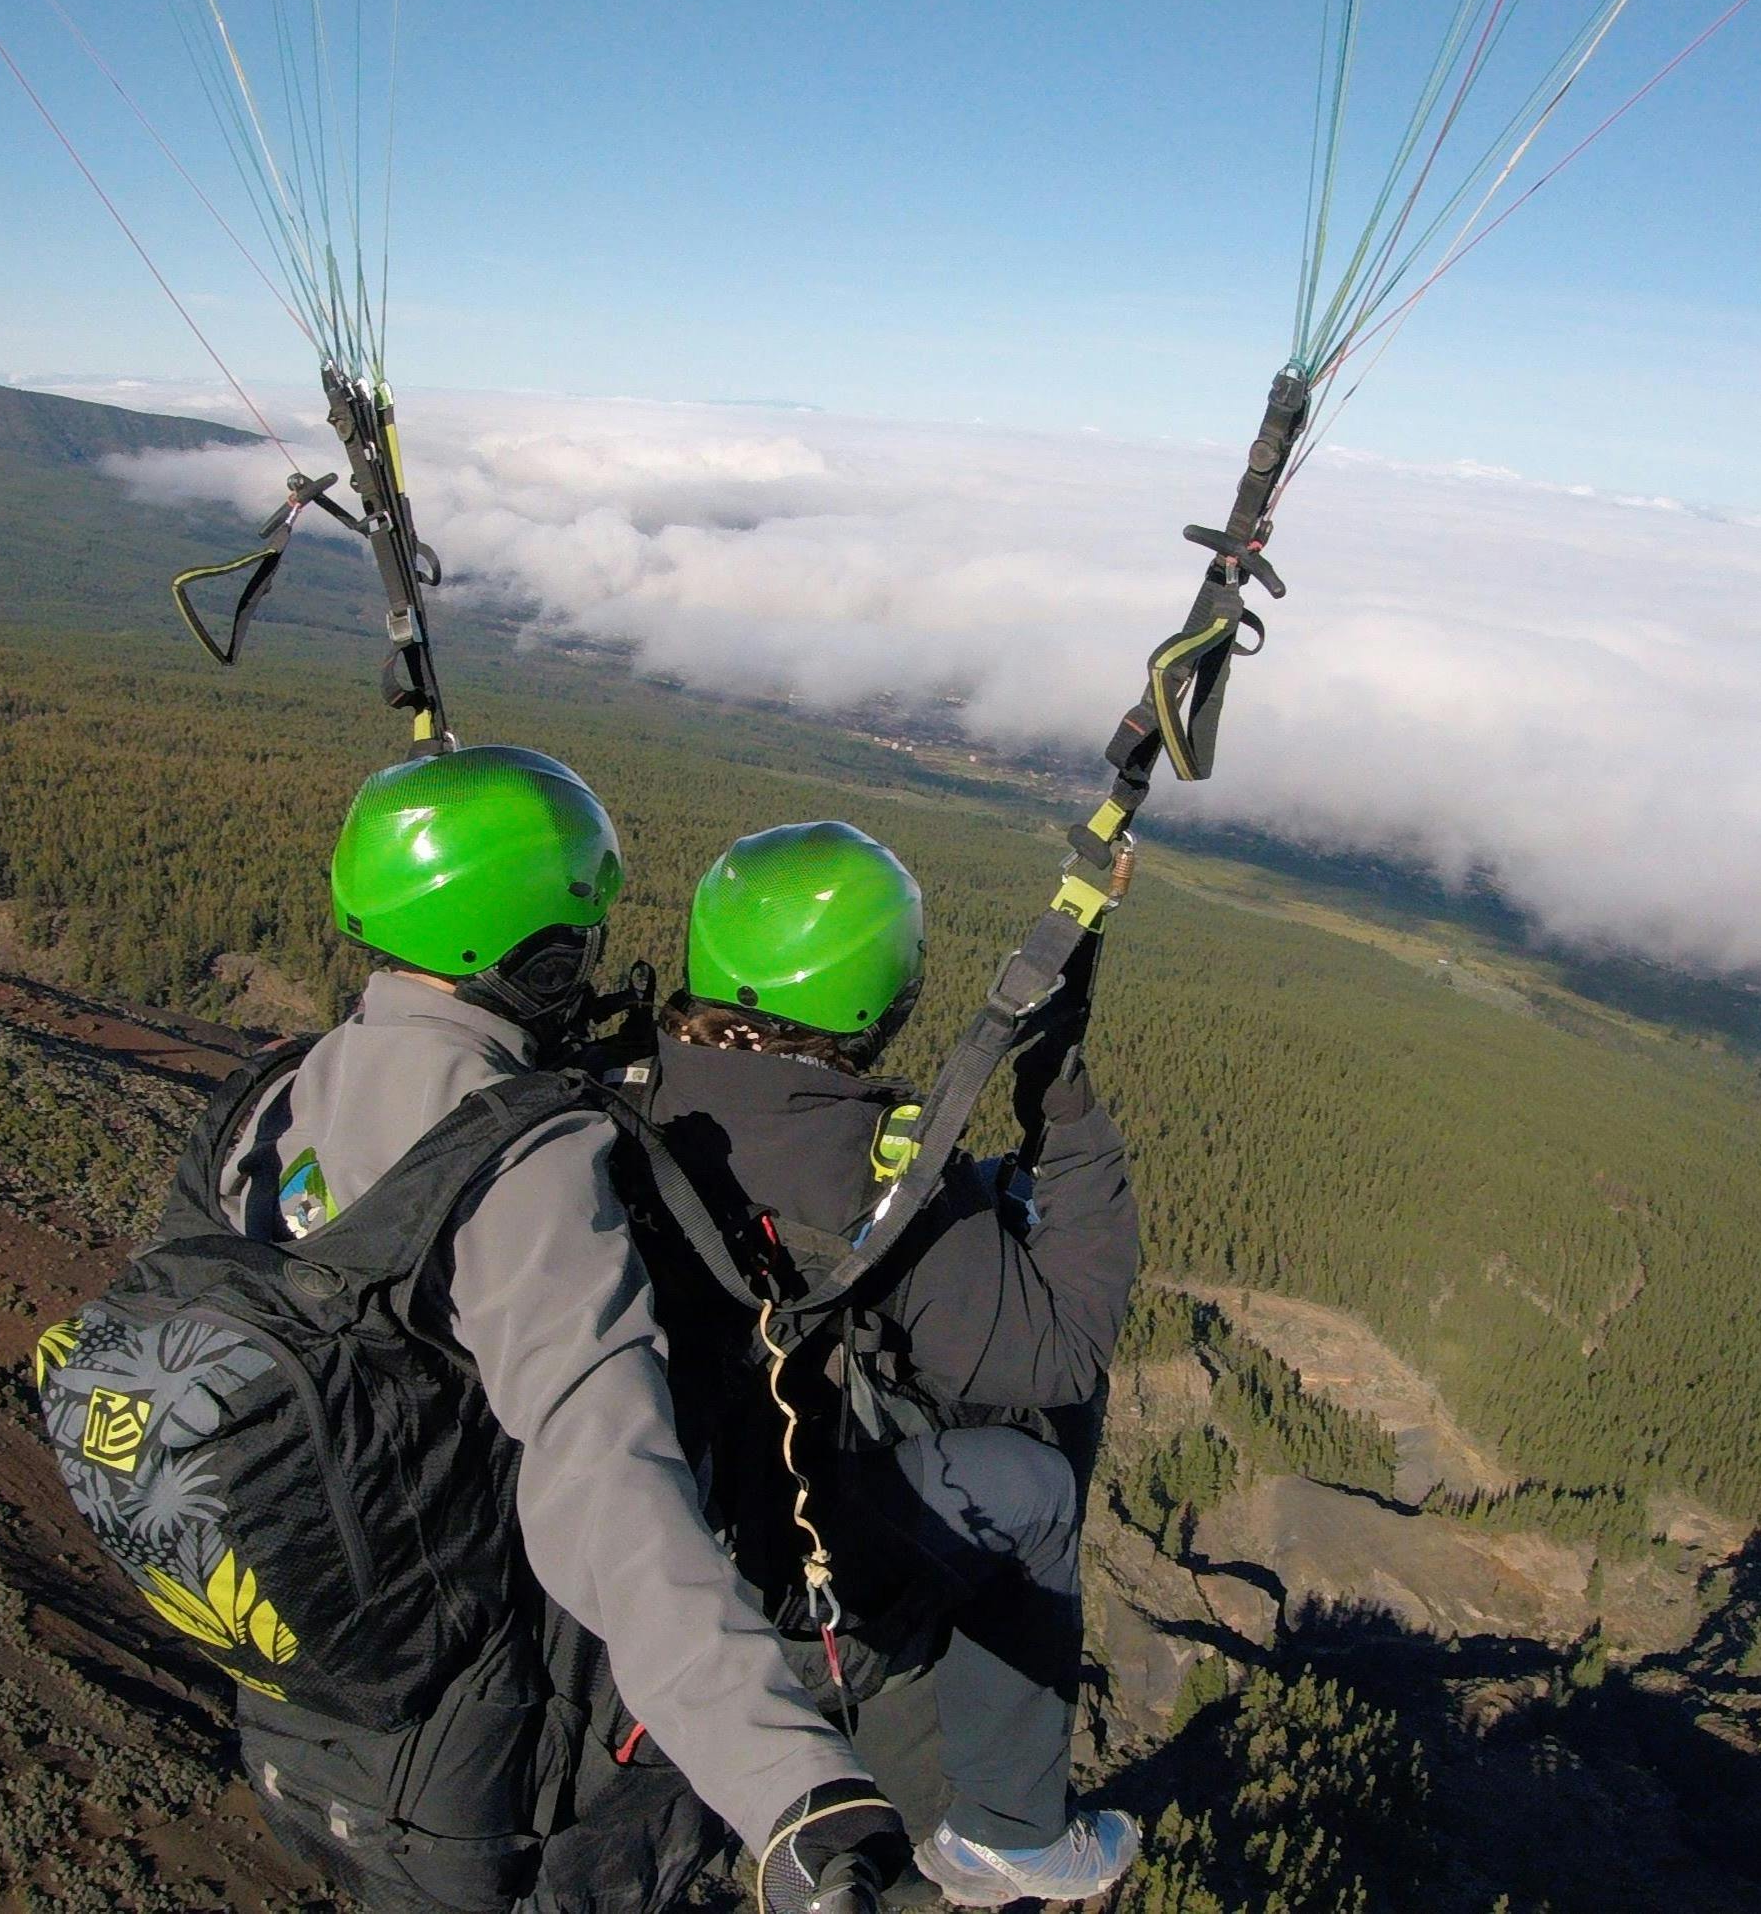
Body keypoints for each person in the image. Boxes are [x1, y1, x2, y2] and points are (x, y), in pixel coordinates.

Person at [93, 747, 907, 1914]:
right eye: (576, 935)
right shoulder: (519, 1165)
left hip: (302, 1721)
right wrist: (789, 1786)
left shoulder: (267, 1102)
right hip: (488, 1786)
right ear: (538, 956)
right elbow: (606, 1483)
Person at [642, 820, 1144, 1909]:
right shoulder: (874, 1178)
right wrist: (1063, 1110)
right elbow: (1061, 1350)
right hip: (776, 1550)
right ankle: (1007, 1831)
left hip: (645, 1516)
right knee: (1033, 1487)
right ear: (880, 993)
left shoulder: (631, 1084)